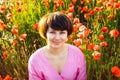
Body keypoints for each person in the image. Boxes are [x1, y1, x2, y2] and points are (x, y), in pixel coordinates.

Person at [28, 12, 87, 80]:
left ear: (67, 34)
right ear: (45, 34)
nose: (57, 38)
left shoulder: (77, 54)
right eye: (52, 32)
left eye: (62, 33)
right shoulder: (35, 60)